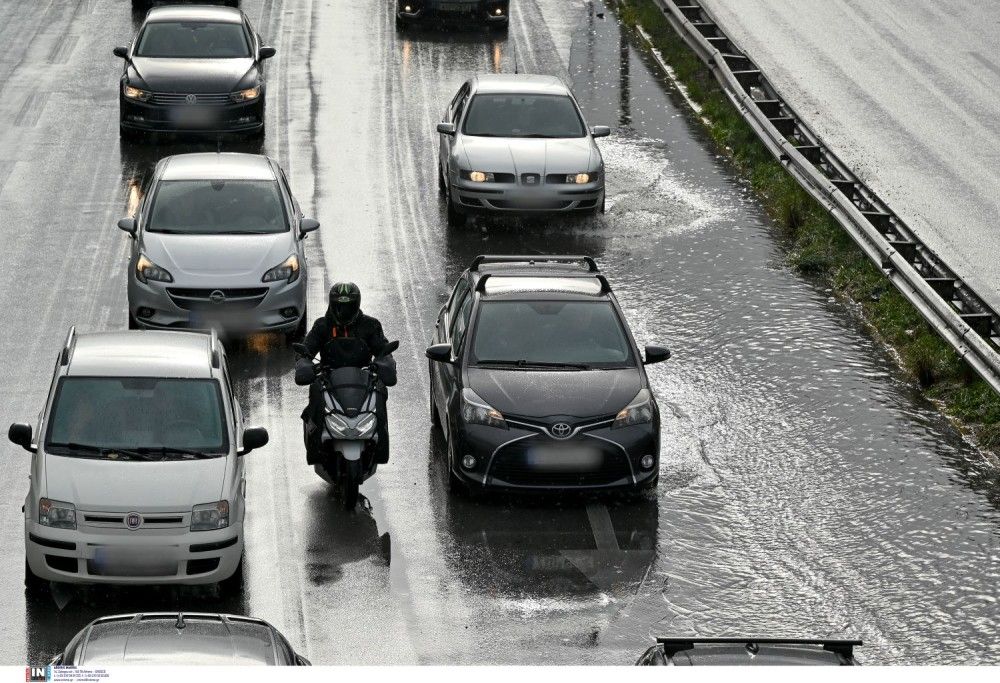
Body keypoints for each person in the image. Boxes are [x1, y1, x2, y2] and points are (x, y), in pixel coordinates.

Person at [296, 283, 396, 465]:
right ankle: (316, 447)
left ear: (357, 305)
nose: (344, 311)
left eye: (349, 306)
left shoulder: (370, 325)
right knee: (315, 393)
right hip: (329, 379)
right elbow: (306, 350)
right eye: (340, 306)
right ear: (332, 305)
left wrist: (385, 363)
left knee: (381, 391)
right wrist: (304, 364)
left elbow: (383, 350)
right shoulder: (321, 326)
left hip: (364, 380)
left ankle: (380, 446)